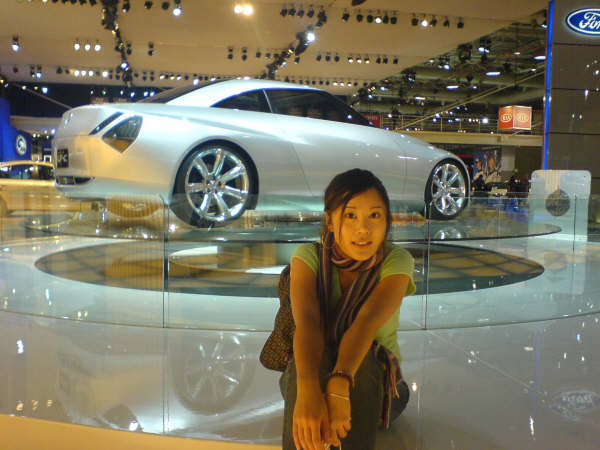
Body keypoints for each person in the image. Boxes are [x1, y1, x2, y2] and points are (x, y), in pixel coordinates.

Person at [280, 168, 416, 450]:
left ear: (387, 220)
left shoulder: (396, 260)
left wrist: (339, 383)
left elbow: (367, 321)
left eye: (374, 216)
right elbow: (308, 322)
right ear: (329, 221)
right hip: (310, 377)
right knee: (313, 358)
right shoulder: (308, 257)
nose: (363, 229)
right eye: (351, 215)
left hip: (379, 389)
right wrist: (309, 391)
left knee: (365, 358)